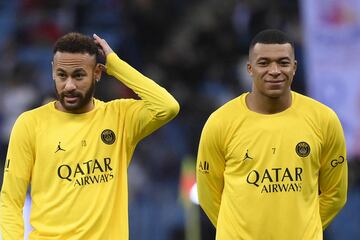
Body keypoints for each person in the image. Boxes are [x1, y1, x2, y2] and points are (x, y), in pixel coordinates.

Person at [0, 32, 179, 239]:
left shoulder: (119, 117)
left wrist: (116, 65)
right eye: (61, 75)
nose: (69, 85)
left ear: (97, 73)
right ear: (52, 72)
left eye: (78, 75)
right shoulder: (30, 124)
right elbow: (11, 199)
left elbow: (167, 107)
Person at [196, 29, 347, 239]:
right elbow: (208, 195)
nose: (274, 70)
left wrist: (303, 230)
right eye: (264, 63)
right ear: (250, 68)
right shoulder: (220, 122)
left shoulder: (324, 120)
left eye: (283, 63)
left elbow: (335, 194)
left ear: (294, 68)